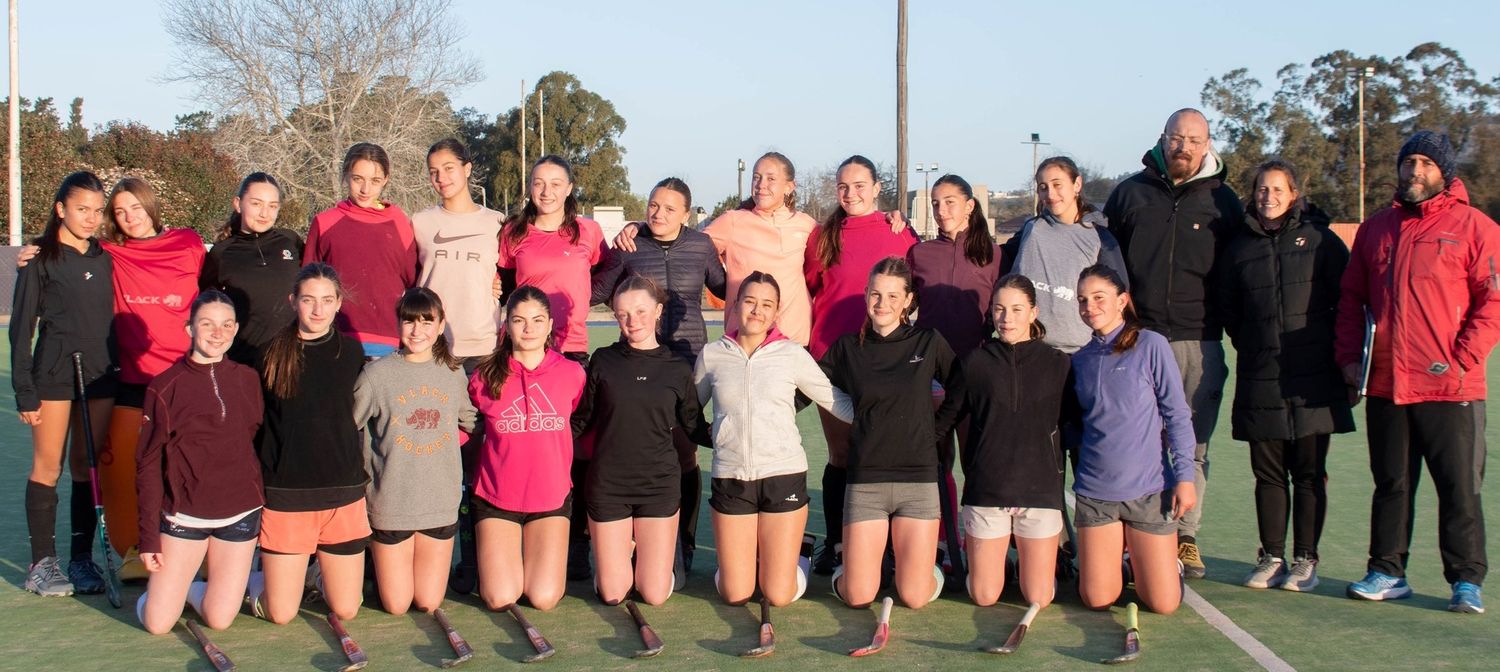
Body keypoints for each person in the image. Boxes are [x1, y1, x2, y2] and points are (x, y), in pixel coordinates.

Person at [1335, 131, 1500, 614]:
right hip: (1388, 384)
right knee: (1391, 484)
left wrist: (1463, 357)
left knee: (1459, 488)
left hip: (1451, 387)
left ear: (1444, 171)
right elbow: (1351, 300)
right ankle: (1387, 570)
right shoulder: (1376, 229)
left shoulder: (1477, 228)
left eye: (1426, 162)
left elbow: (1491, 301)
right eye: (1409, 161)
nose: (1415, 171)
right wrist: (1350, 359)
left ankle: (1465, 580)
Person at [1104, 108, 1242, 578]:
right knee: (1137, 440)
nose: (1183, 146)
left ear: (1207, 146)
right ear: (1162, 140)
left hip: (1197, 342)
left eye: (1193, 139)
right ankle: (1132, 534)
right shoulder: (1129, 193)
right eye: (1175, 137)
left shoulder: (1225, 203)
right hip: (1136, 338)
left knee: (1193, 444)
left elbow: (1240, 271)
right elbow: (1104, 260)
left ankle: (1185, 536)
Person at [1217, 160, 1352, 592]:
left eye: (1277, 189)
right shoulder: (1238, 248)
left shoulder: (1321, 242)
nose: (1268, 196)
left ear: (1294, 193)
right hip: (1263, 377)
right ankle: (1272, 555)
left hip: (1314, 378)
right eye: (1261, 189)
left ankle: (1305, 560)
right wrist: (1256, 345)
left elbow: (1346, 304)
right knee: (1269, 473)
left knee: (1309, 473)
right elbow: (1230, 311)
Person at [592, 177, 726, 586]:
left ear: (686, 214)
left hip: (684, 362)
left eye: (670, 208)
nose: (659, 214)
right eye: (653, 205)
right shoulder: (631, 243)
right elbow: (597, 290)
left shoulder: (701, 245)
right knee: (629, 447)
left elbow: (725, 288)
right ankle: (614, 544)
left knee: (685, 454)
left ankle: (679, 547)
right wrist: (615, 250)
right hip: (634, 359)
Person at [695, 271, 852, 606]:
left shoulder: (791, 354)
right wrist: (714, 437)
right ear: (735, 305)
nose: (757, 311)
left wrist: (883, 417)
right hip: (731, 478)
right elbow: (688, 410)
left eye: (767, 305)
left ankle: (802, 553)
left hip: (783, 477)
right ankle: (748, 563)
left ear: (777, 312)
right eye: (750, 302)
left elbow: (834, 400)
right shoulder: (713, 354)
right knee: (735, 593)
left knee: (778, 595)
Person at [821, 256, 955, 609]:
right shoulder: (847, 348)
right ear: (866, 294)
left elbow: (963, 388)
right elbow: (809, 388)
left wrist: (936, 431)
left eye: (894, 296)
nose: (883, 304)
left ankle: (925, 565)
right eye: (876, 295)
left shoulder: (928, 342)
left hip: (918, 481)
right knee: (859, 595)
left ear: (909, 300)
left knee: (912, 595)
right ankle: (844, 564)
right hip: (867, 481)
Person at [806, 156, 918, 575]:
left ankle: (882, 546)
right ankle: (837, 543)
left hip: (884, 362)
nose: (850, 194)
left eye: (858, 186)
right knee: (841, 453)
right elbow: (814, 287)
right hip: (831, 361)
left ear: (876, 188)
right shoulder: (821, 236)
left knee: (878, 453)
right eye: (843, 186)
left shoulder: (899, 232)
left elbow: (912, 293)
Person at [499, 154, 607, 580]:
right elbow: (504, 284)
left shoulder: (587, 232)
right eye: (538, 183)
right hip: (523, 353)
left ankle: (575, 543)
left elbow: (608, 268)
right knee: (524, 445)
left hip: (571, 352)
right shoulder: (513, 232)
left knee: (574, 450)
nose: (546, 191)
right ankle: (519, 536)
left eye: (555, 183)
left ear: (569, 187)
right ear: (529, 187)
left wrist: (581, 300)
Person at [933, 275, 1070, 607]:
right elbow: (944, 421)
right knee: (984, 596)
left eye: (1016, 309)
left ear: (1033, 312)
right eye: (999, 309)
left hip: (1039, 493)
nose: (1007, 318)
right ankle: (1005, 564)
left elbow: (1074, 425)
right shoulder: (973, 363)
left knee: (1038, 596)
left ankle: (1030, 562)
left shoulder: (1058, 364)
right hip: (987, 492)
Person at [573, 275, 710, 606]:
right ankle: (619, 559)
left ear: (658, 310)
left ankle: (650, 560)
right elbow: (582, 420)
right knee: (613, 593)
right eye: (623, 314)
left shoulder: (677, 367)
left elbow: (693, 426)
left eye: (641, 311)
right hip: (608, 486)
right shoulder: (603, 360)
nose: (632, 321)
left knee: (654, 594)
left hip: (658, 486)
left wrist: (741, 431)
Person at [11, 171, 116, 597]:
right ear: (61, 209)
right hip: (53, 375)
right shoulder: (39, 259)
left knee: (84, 468)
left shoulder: (105, 256)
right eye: (81, 209)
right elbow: (21, 330)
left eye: (96, 210)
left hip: (100, 376)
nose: (90, 219)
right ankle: (42, 564)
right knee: (47, 467)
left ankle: (80, 560)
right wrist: (24, 388)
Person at [134, 290, 264, 634]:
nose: (216, 332)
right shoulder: (164, 388)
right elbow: (147, 466)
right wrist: (148, 537)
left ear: (235, 329)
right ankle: (168, 594)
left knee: (219, 620)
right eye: (207, 324)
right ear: (189, 327)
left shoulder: (248, 378)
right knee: (158, 624)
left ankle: (191, 590)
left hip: (239, 513)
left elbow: (251, 434)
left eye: (225, 325)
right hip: (183, 516)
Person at [246, 263, 369, 625]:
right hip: (287, 498)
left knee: (346, 609)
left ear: (339, 303)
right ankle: (244, 582)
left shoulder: (352, 353)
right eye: (309, 300)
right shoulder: (268, 355)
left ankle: (318, 574)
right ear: (292, 301)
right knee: (281, 613)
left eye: (327, 300)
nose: (318, 309)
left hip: (342, 496)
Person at [1071, 264, 1196, 615]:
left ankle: (1163, 566)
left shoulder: (1150, 345)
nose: (1089, 307)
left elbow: (1177, 415)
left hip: (1149, 492)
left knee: (1162, 604)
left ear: (1122, 300)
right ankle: (1122, 564)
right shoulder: (1080, 360)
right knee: (1097, 598)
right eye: (1082, 300)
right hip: (1097, 495)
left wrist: (1184, 477)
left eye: (1099, 298)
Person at [410, 138, 504, 593]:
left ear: (467, 169)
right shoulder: (421, 224)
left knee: (482, 463)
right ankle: (431, 562)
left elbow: (511, 279)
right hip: (436, 355)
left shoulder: (496, 224)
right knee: (437, 461)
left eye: (449, 168)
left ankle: (480, 564)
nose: (441, 177)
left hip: (483, 352)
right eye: (433, 170)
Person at [353, 288, 477, 615]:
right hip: (391, 502)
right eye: (409, 322)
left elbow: (469, 421)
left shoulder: (452, 373)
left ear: (440, 325)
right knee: (396, 605)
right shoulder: (375, 376)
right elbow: (348, 427)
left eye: (426, 322)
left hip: (439, 502)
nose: (417, 331)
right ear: (398, 324)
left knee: (427, 602)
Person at [907, 172, 1003, 576]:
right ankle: (945, 541)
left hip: (977, 373)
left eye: (949, 202)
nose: (941, 210)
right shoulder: (920, 253)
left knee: (978, 461)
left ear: (969, 206)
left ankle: (984, 541)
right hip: (931, 376)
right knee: (935, 461)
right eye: (935, 202)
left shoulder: (995, 254)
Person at [469, 286, 585, 612]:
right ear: (507, 325)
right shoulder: (484, 376)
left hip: (550, 497)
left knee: (543, 598)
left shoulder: (571, 374)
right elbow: (469, 427)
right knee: (500, 598)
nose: (529, 328)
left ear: (550, 325)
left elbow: (579, 420)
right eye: (519, 320)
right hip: (496, 497)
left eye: (537, 320)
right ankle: (496, 561)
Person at [304, 142, 418, 358]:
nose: (366, 189)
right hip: (334, 341)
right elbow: (308, 285)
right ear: (346, 175)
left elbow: (413, 281)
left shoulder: (399, 223)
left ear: (386, 180)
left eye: (375, 181)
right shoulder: (325, 223)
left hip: (389, 344)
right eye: (358, 179)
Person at [1010, 156, 1129, 355]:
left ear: (1077, 184)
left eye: (1057, 185)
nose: (1050, 193)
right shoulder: (1031, 230)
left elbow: (1119, 294)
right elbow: (996, 263)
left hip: (1081, 352)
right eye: (1043, 187)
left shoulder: (1099, 238)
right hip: (1031, 350)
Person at [201, 172, 304, 366]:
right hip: (243, 359)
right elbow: (203, 299)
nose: (265, 213)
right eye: (256, 204)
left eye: (272, 206)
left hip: (291, 358)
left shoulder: (290, 241)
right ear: (238, 204)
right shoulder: (222, 253)